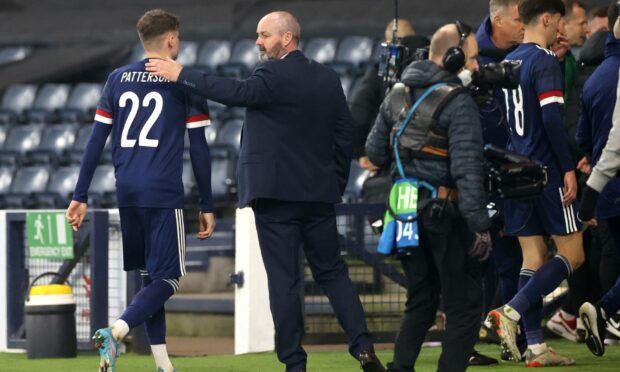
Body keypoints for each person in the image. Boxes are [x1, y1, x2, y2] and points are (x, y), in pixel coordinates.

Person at [145, 11, 385, 372]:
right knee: (334, 273)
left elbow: (236, 93)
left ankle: (294, 363)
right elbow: (344, 137)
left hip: (275, 199)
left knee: (284, 281)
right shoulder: (328, 78)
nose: (258, 41)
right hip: (318, 195)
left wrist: (183, 75)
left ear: (287, 38)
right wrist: (332, 184)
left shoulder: (271, 74)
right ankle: (363, 347)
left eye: (264, 35)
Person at [65, 9, 216, 372]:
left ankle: (164, 367)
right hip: (162, 191)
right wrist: (207, 202)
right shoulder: (185, 82)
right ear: (171, 40)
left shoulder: (117, 78)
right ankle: (115, 332)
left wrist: (80, 194)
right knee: (168, 278)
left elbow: (95, 141)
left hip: (127, 190)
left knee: (151, 279)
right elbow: (199, 148)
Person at [366, 21, 493, 372]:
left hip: (403, 211)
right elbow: (468, 173)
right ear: (452, 57)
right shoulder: (459, 102)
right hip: (442, 212)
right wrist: (480, 226)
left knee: (420, 299)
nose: (476, 66)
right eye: (471, 58)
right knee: (465, 306)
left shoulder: (396, 93)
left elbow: (374, 153)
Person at [485, 0, 585, 367]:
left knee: (533, 257)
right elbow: (553, 121)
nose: (561, 27)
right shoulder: (543, 61)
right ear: (546, 18)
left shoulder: (509, 62)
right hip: (546, 172)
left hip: (516, 171)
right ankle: (510, 312)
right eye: (559, 20)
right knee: (574, 254)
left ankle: (536, 347)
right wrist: (568, 167)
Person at [475, 0, 526, 361]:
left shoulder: (527, 55)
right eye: (519, 19)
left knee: (520, 262)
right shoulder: (475, 64)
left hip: (520, 178)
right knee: (506, 263)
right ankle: (514, 339)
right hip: (488, 183)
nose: (525, 25)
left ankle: (518, 337)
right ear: (497, 19)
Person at [578, 2, 620, 358]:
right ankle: (608, 312)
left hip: (606, 188)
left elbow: (588, 141)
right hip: (608, 183)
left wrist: (592, 190)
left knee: (612, 256)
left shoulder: (594, 78)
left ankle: (608, 314)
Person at [350, 19, 428, 176]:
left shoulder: (380, 74)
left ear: (388, 44)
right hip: (425, 167)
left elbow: (358, 114)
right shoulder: (431, 69)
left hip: (387, 167)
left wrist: (360, 153)